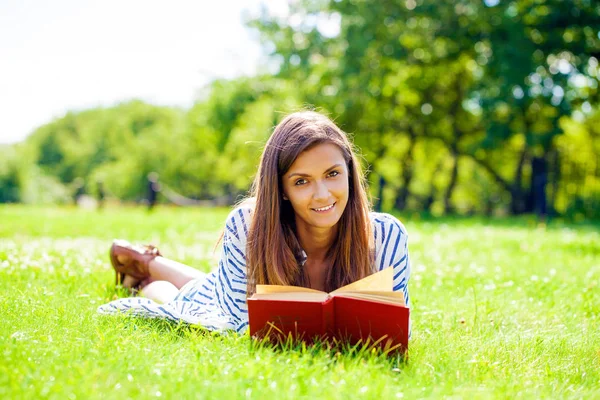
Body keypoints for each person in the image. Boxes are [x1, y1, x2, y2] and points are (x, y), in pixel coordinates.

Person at [98, 111, 411, 334]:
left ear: (350, 173)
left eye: (332, 174)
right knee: (186, 300)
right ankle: (146, 275)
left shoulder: (386, 235)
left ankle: (145, 260)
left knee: (205, 283)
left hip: (224, 285)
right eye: (301, 181)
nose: (322, 194)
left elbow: (399, 329)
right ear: (282, 190)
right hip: (221, 300)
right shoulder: (249, 225)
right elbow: (237, 323)